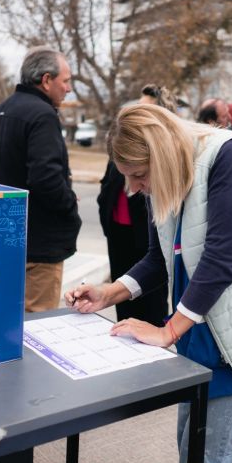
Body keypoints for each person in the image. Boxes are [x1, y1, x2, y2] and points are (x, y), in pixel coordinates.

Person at [66, 104, 232, 463]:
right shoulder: (170, 175)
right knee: (191, 451)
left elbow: (222, 259)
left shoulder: (231, 156)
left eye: (139, 176)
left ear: (160, 155)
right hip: (197, 329)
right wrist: (108, 293)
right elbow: (158, 259)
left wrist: (167, 332)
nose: (134, 188)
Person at [0, 47, 81, 312]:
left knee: (8, 317)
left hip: (9, 236)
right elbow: (45, 177)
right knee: (37, 324)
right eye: (66, 80)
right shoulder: (42, 115)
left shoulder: (0, 111)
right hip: (40, 244)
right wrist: (69, 201)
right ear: (46, 80)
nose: (69, 89)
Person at [96, 84, 176, 324]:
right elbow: (109, 184)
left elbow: (158, 262)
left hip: (144, 236)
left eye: (145, 108)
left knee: (150, 299)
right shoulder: (123, 147)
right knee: (124, 295)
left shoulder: (161, 165)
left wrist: (168, 332)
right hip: (119, 233)